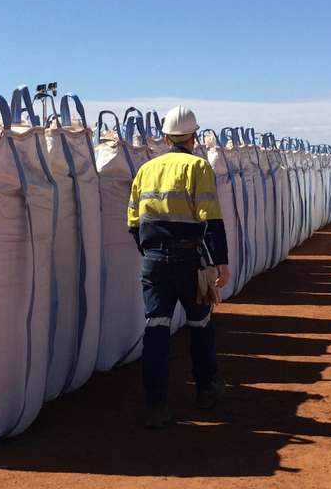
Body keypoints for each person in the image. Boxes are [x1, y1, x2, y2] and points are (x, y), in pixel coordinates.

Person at [127, 105, 230, 428]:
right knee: (200, 325)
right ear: (193, 136)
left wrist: (151, 252)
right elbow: (210, 218)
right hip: (191, 261)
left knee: (156, 331)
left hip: (154, 260)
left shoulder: (147, 169)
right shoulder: (198, 167)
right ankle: (206, 389)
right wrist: (220, 263)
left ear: (165, 136)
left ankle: (156, 405)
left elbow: (133, 220)